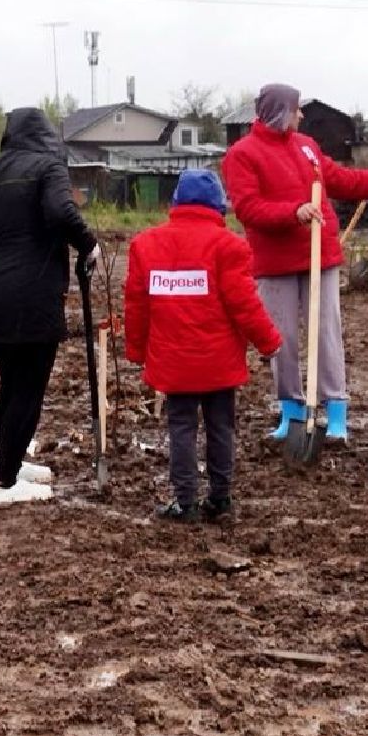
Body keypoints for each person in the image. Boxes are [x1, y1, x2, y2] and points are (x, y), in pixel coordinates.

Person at [221, 84, 368, 444]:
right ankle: (291, 411)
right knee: (282, 337)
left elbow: (341, 179)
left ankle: (335, 410)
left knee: (326, 332)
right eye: (296, 109)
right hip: (275, 261)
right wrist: (294, 212)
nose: (301, 115)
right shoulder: (242, 155)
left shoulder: (307, 147)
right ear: (279, 112)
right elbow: (248, 208)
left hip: (321, 254)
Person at [0, 108, 100, 504]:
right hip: (35, 294)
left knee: (12, 381)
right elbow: (60, 211)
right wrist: (88, 243)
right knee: (27, 386)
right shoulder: (49, 167)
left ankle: (12, 459)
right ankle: (5, 482)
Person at [124, 169, 282, 523]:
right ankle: (221, 498)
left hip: (173, 362)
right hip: (219, 363)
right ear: (218, 207)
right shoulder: (229, 246)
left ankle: (185, 502)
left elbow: (136, 304)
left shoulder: (146, 245)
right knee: (221, 426)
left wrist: (136, 350)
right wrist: (268, 343)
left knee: (180, 426)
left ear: (176, 202)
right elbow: (245, 305)